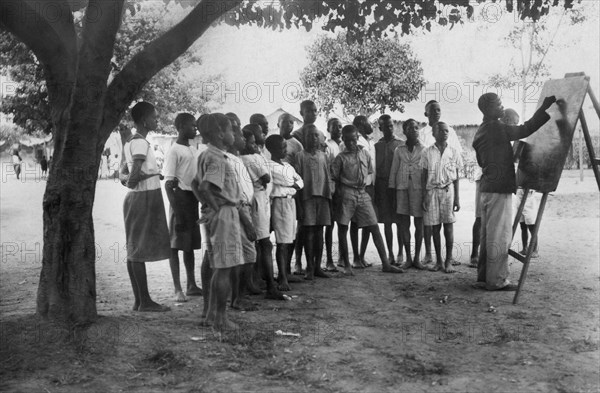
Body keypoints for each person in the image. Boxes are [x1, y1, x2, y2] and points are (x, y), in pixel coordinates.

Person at [472, 93, 556, 291]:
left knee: (487, 235)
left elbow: (481, 161)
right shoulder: (497, 128)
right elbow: (525, 129)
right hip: (499, 188)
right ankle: (497, 281)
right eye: (498, 105)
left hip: (487, 188)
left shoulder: (481, 130)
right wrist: (543, 108)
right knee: (499, 235)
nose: (502, 107)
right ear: (488, 108)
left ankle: (484, 277)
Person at [192, 113, 253, 330]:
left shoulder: (206, 155)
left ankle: (211, 316)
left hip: (219, 213)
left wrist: (208, 208)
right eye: (230, 130)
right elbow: (205, 187)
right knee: (224, 268)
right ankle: (220, 318)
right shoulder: (217, 158)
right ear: (219, 134)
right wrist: (216, 208)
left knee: (218, 267)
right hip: (225, 214)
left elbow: (194, 183)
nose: (233, 134)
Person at [332, 125, 404, 276]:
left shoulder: (364, 153)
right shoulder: (340, 158)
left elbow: (369, 172)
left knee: (374, 226)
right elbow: (334, 179)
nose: (351, 143)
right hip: (347, 193)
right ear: (343, 140)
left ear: (357, 139)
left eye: (354, 140)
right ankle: (346, 265)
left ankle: (385, 263)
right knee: (343, 228)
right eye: (348, 140)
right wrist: (339, 196)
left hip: (363, 192)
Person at [123, 101, 171, 312]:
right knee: (138, 249)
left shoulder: (130, 142)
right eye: (154, 117)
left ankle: (139, 300)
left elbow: (122, 175)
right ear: (144, 120)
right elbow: (132, 177)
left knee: (134, 248)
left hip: (138, 197)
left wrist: (136, 177)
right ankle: (145, 301)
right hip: (143, 197)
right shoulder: (140, 143)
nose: (156, 120)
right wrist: (150, 174)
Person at [240, 124, 285, 300]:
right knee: (264, 242)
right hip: (257, 200)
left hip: (261, 198)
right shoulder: (249, 159)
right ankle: (269, 285)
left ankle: (257, 279)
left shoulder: (253, 156)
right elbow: (266, 178)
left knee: (260, 243)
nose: (255, 146)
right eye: (251, 143)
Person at [163, 113, 203, 303]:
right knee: (175, 245)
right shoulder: (174, 150)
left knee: (189, 245)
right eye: (191, 126)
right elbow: (168, 183)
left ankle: (192, 285)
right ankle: (177, 288)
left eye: (195, 126)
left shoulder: (193, 149)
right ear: (180, 127)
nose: (195, 129)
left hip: (192, 199)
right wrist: (177, 212)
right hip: (179, 200)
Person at [419, 100, 463, 265]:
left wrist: (457, 198)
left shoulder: (452, 149)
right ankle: (435, 258)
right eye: (433, 110)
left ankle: (449, 259)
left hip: (447, 190)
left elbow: (456, 174)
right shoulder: (426, 148)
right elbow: (423, 173)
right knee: (433, 225)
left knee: (448, 225)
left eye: (446, 131)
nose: (445, 133)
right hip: (431, 190)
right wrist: (424, 194)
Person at [265, 134, 304, 291]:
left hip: (290, 202)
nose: (285, 150)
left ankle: (285, 272)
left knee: (288, 240)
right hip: (279, 202)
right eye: (281, 148)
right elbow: (285, 182)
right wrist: (292, 185)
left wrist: (292, 185)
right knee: (281, 242)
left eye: (285, 147)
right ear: (272, 149)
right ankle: (281, 277)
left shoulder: (287, 166)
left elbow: (300, 182)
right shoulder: (270, 166)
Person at [294, 125, 332, 280]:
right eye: (310, 135)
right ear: (304, 138)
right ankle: (309, 267)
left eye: (316, 135)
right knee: (308, 232)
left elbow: (328, 179)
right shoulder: (300, 156)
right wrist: (300, 204)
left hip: (322, 197)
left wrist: (329, 199)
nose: (314, 138)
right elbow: (297, 180)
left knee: (319, 232)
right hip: (307, 198)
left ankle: (317, 267)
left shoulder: (323, 156)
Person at [339, 116, 376, 269]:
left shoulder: (370, 142)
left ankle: (360, 256)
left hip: (369, 186)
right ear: (361, 124)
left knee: (367, 223)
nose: (370, 124)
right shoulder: (351, 142)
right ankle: (352, 257)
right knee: (353, 224)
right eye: (367, 121)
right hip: (354, 188)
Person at [389, 119, 426, 270]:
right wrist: (392, 189)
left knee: (419, 223)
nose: (414, 130)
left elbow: (426, 172)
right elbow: (393, 171)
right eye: (410, 128)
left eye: (416, 128)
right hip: (402, 189)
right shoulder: (399, 150)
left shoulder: (424, 149)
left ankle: (417, 258)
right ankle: (408, 258)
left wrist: (426, 193)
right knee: (404, 224)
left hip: (418, 189)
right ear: (404, 131)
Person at [504, 109, 541, 259]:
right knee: (521, 222)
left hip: (527, 188)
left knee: (531, 221)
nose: (515, 126)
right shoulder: (515, 143)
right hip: (518, 188)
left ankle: (535, 249)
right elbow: (513, 162)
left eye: (517, 123)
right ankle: (525, 247)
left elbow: (530, 167)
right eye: (514, 122)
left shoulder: (526, 145)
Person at [374, 114, 404, 266]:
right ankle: (390, 253)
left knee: (399, 221)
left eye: (391, 125)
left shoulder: (400, 144)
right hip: (382, 187)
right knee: (386, 222)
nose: (389, 129)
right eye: (386, 126)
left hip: (397, 187)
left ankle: (400, 253)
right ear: (380, 128)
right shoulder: (377, 146)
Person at [324, 118, 343, 272]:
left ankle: (342, 257)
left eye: (340, 126)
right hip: (331, 188)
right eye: (335, 126)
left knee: (343, 223)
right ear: (328, 128)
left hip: (343, 188)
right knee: (329, 225)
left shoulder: (344, 144)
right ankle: (329, 259)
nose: (338, 129)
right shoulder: (328, 146)